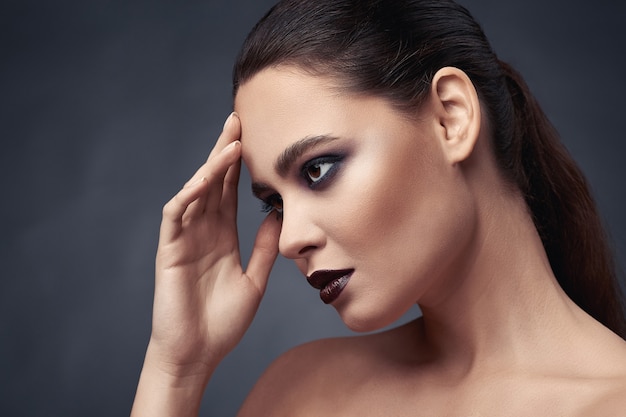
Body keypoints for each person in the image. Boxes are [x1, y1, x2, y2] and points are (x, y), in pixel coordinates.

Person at [131, 0, 626, 415]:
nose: (288, 241)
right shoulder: (301, 394)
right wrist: (177, 370)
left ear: (450, 118)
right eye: (274, 204)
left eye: (317, 169)